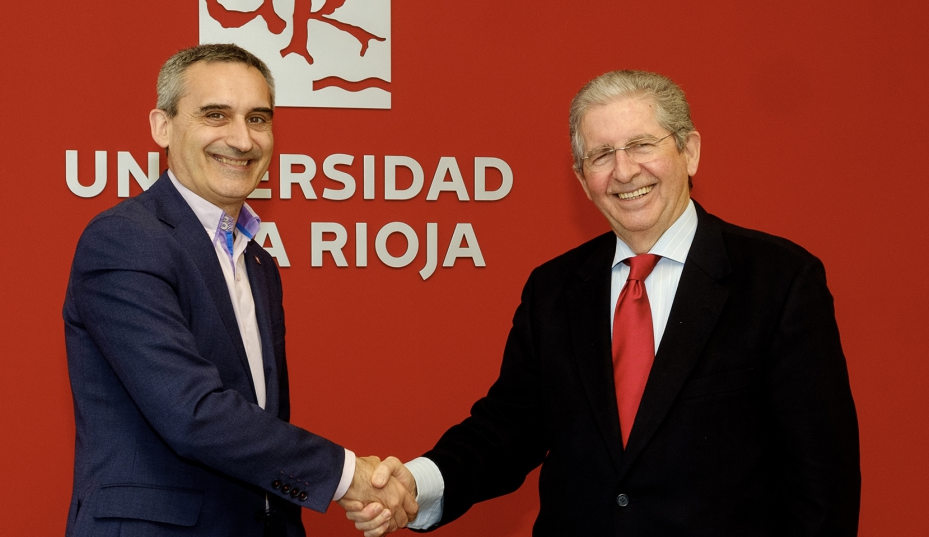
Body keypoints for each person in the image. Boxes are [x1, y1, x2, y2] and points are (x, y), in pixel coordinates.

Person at [344, 70, 861, 536]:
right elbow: (508, 429)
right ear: (581, 177)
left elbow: (823, 482)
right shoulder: (554, 288)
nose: (624, 171)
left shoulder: (780, 280)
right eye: (601, 154)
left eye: (641, 145)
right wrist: (414, 483)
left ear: (690, 151)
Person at [63, 44, 416, 537]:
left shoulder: (258, 263)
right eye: (215, 115)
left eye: (258, 119)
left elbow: (255, 425)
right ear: (162, 127)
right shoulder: (125, 240)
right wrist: (346, 475)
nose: (242, 139)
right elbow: (192, 412)